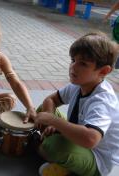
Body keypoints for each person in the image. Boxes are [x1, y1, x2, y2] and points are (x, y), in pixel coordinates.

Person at [34, 32, 119, 176]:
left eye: (83, 64)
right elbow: (51, 100)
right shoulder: (79, 84)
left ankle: (64, 163)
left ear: (103, 71)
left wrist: (54, 121)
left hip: (96, 158)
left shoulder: (103, 101)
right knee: (43, 110)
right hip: (82, 138)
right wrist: (50, 121)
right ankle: (57, 153)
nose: (73, 67)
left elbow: (91, 139)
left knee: (53, 146)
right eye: (73, 60)